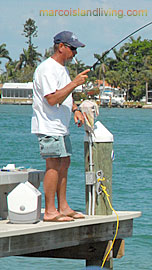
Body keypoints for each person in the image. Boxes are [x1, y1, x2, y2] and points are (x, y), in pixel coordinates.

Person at [31, 31, 90, 222]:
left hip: (61, 126)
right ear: (61, 47)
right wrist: (74, 83)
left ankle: (63, 207)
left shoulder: (61, 68)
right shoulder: (47, 69)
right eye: (72, 48)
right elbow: (51, 99)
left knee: (64, 163)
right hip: (48, 125)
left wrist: (75, 109)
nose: (75, 53)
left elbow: (64, 96)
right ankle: (49, 211)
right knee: (53, 165)